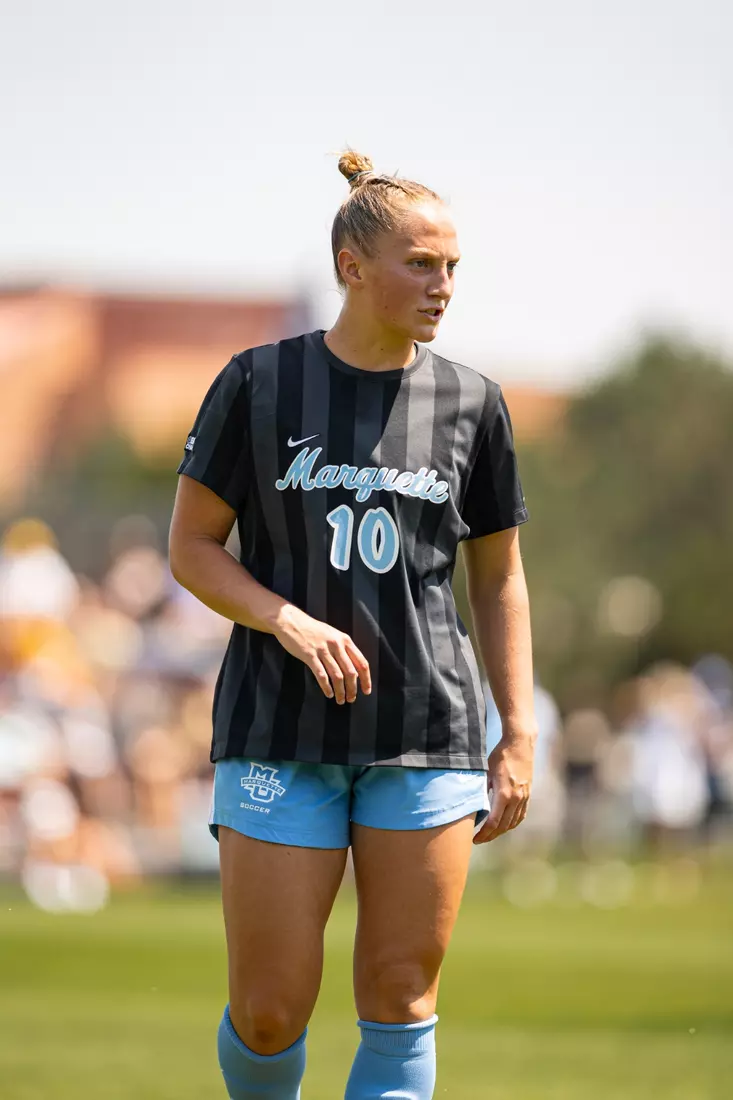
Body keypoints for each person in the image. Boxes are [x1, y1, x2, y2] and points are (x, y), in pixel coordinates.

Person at [168, 150, 537, 1100]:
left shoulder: (473, 403)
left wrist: (517, 733)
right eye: (421, 263)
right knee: (268, 1009)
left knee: (402, 992)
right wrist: (283, 619)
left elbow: (498, 580)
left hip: (426, 734)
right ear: (351, 266)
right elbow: (193, 548)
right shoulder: (256, 383)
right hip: (276, 730)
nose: (442, 285)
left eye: (452, 265)